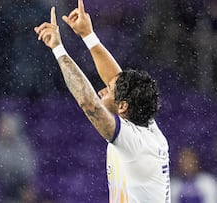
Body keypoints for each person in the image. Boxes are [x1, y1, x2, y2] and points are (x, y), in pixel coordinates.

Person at [34, 1, 170, 202]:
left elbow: (89, 103)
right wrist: (88, 35)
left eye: (108, 91)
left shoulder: (134, 143)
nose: (101, 90)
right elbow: (116, 78)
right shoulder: (146, 122)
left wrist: (58, 49)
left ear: (123, 106)